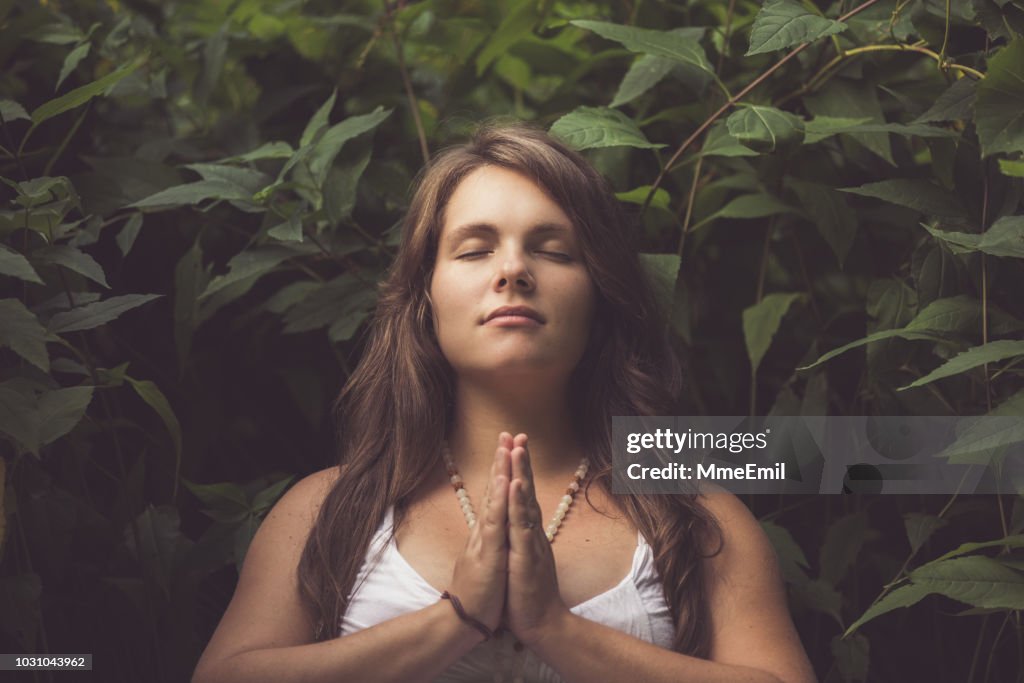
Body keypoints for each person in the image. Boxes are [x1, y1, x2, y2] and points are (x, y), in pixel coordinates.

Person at [192, 123, 817, 683]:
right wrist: (455, 619)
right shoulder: (327, 509)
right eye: (474, 249)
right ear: (424, 298)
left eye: (553, 249)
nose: (513, 270)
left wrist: (557, 629)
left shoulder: (693, 507)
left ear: (600, 298)